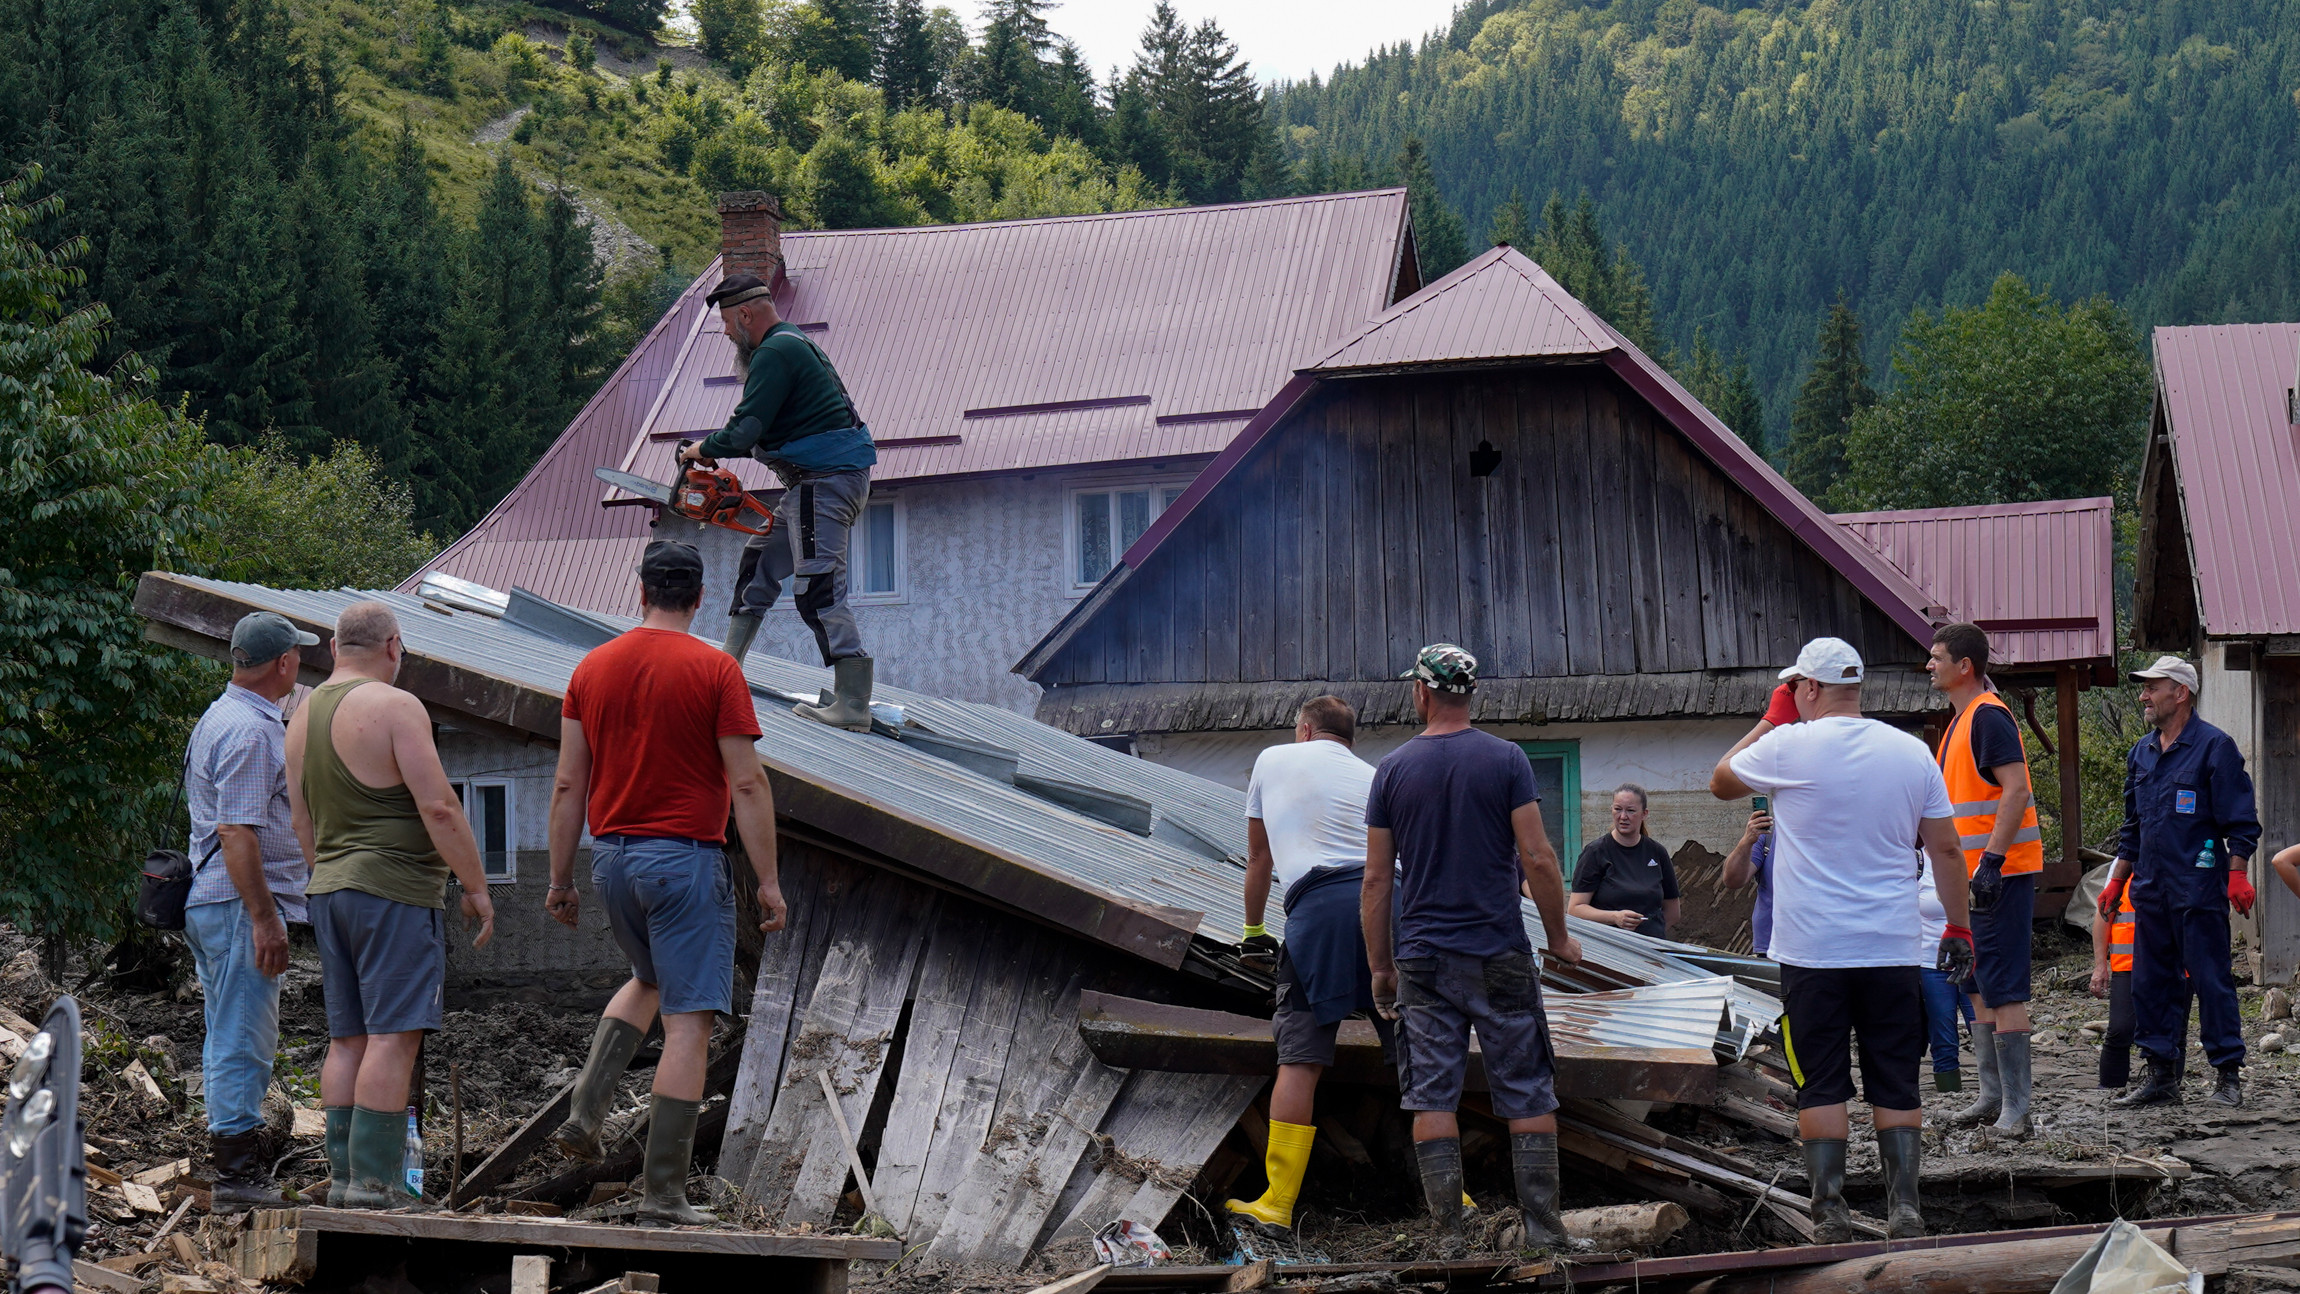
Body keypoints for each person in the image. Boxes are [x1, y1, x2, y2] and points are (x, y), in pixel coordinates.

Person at [545, 541, 788, 1226]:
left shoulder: (592, 668)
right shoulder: (716, 669)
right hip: (683, 862)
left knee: (647, 977)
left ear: (642, 592)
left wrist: (560, 879)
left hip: (612, 860)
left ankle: (585, 1110)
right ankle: (663, 1195)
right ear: (700, 598)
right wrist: (768, 881)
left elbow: (567, 783)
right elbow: (747, 782)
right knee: (690, 1022)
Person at [1710, 637, 1972, 1242]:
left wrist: (1771, 718)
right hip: (1892, 948)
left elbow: (1721, 781)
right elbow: (1947, 850)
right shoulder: (1911, 752)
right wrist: (1958, 928)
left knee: (1820, 1082)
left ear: (1808, 688)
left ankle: (1829, 1214)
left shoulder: (1786, 746)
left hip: (1812, 953)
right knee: (1896, 1079)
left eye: (1793, 688)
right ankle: (1905, 1210)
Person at [1362, 644, 1586, 1258]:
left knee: (1432, 1094)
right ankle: (1545, 1235)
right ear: (1471, 693)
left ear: (1421, 692)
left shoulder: (1392, 770)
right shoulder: (1507, 759)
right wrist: (1559, 937)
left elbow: (1376, 881)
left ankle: (1449, 1241)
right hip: (1498, 952)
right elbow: (1538, 856)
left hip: (1424, 958)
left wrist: (1380, 967)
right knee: (1527, 1088)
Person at [286, 601, 497, 1210]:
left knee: (347, 1039)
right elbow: (439, 807)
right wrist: (476, 887)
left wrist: (332, 876)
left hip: (329, 889)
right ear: (393, 646)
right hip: (394, 891)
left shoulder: (299, 716)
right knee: (393, 1038)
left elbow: (301, 822)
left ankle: (346, 1180)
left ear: (333, 647)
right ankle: (376, 1185)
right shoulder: (397, 706)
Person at [682, 272, 878, 729]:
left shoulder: (773, 352)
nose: (726, 333)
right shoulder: (791, 341)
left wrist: (702, 449)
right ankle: (728, 667)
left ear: (745, 315)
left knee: (817, 587)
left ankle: (853, 703)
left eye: (726, 324)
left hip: (823, 483)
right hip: (813, 484)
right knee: (760, 562)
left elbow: (746, 429)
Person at [1223, 697, 1386, 1237]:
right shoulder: (1375, 776)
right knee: (1420, 1052)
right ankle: (1454, 1197)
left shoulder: (1273, 758)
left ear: (1306, 729)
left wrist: (1253, 932)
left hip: (1321, 908)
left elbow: (1259, 857)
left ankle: (1277, 1203)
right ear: (1350, 738)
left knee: (1301, 1057)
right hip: (1392, 905)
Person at [183, 612, 320, 1211]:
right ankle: (236, 1179)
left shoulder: (224, 715)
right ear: (284, 663)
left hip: (217, 902)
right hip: (239, 907)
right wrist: (266, 918)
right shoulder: (250, 731)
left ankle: (234, 1166)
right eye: (299, 657)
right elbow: (237, 832)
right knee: (244, 1035)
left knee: (229, 1031)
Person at [2097, 655, 2259, 1109]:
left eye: (2153, 687)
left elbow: (2241, 822)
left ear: (2181, 693)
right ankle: (2161, 1077)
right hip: (2150, 890)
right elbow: (2132, 829)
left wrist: (2238, 873)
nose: (2144, 696)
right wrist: (2116, 881)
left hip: (2198, 888)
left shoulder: (2214, 747)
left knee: (2211, 981)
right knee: (2151, 983)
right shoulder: (2141, 753)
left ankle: (2227, 1076)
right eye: (2145, 688)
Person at [1925, 623, 2043, 1135]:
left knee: (2004, 988)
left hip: (2000, 875)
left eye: (1937, 657)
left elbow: (2015, 789)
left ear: (1964, 665)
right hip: (1970, 879)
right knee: (1975, 983)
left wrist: (1992, 862)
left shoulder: (1987, 717)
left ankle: (2017, 1108)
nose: (1929, 665)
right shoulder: (1959, 722)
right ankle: (1992, 1097)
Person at [1568, 786, 1680, 939]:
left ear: (1644, 814)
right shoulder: (1595, 852)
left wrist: (1650, 934)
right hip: (1609, 945)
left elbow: (1673, 912)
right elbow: (1575, 909)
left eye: (1631, 811)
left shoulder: (1657, 852)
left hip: (1651, 948)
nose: (1623, 816)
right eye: (1618, 809)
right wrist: (1614, 917)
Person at [1917, 852, 1975, 1092]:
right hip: (1931, 962)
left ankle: (2002, 1089)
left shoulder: (1971, 854)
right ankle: (1948, 1093)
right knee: (1942, 1031)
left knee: (1982, 1026)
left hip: (1972, 960)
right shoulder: (1916, 860)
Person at [1720, 807, 1775, 958]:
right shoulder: (1768, 836)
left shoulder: (1830, 835)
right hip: (1771, 948)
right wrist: (1747, 841)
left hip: (1822, 946)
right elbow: (1733, 880)